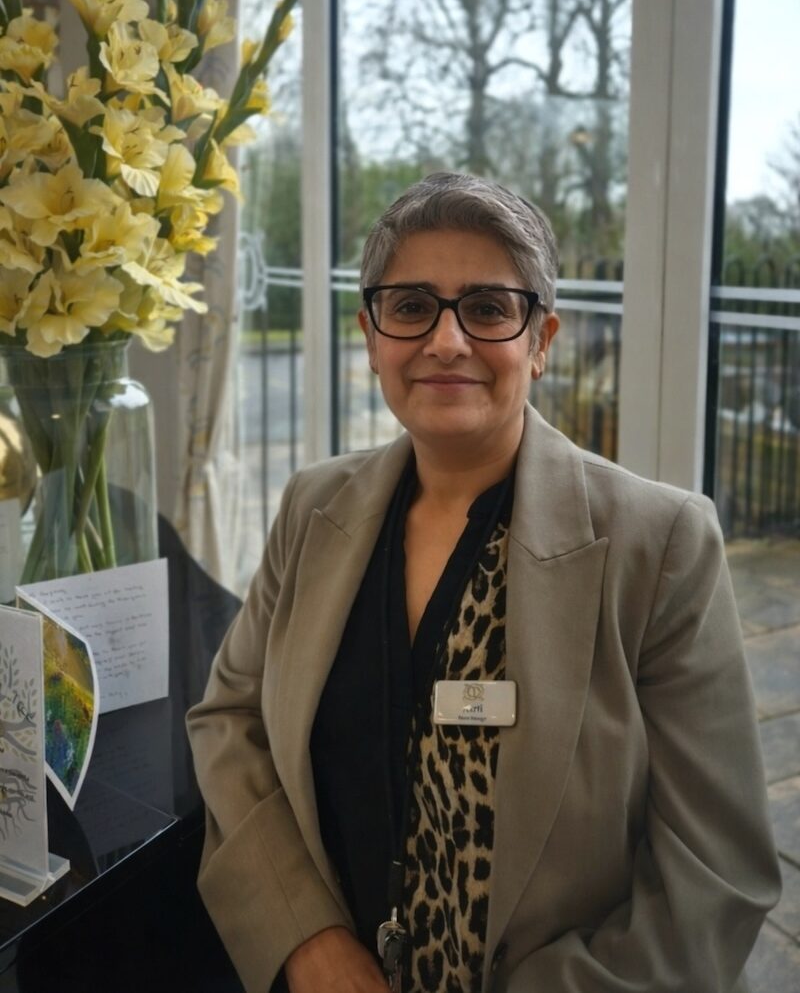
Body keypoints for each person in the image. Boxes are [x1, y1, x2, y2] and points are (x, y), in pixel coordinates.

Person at [187, 172, 780, 993]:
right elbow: (230, 720)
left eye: (490, 309)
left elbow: (715, 878)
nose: (446, 340)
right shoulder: (313, 506)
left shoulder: (660, 546)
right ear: (371, 333)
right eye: (411, 306)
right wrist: (307, 940)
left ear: (542, 341)